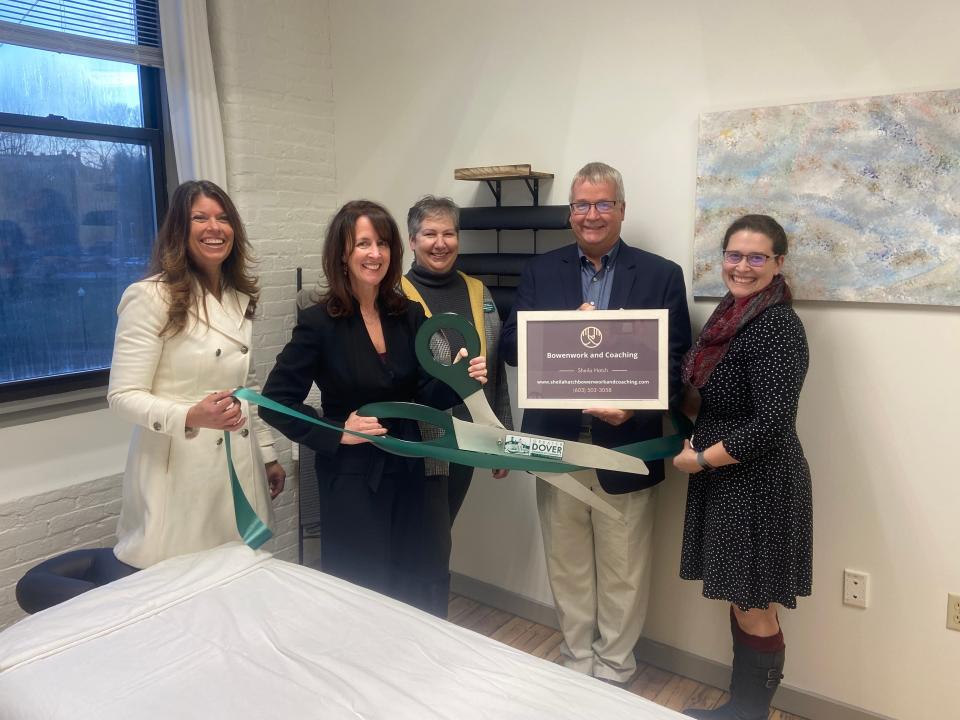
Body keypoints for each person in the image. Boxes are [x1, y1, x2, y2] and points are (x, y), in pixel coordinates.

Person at [500, 162, 692, 683]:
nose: (592, 214)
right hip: (557, 445)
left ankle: (614, 672)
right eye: (582, 205)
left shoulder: (660, 275)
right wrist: (562, 329)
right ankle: (575, 664)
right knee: (567, 565)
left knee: (623, 570)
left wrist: (636, 407)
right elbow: (512, 349)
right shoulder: (541, 271)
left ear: (622, 210)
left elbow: (677, 365)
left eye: (603, 203)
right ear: (570, 213)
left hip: (625, 447)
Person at [259, 199, 488, 614]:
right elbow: (275, 402)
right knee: (362, 592)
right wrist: (334, 431)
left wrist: (459, 381)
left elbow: (424, 398)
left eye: (382, 243)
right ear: (342, 254)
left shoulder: (408, 315)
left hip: (413, 473)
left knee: (421, 582)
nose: (375, 253)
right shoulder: (319, 322)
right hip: (353, 481)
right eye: (363, 243)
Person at [673, 214, 812, 720]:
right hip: (730, 480)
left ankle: (747, 714)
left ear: (778, 264)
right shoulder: (729, 316)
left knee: (755, 607)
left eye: (757, 257)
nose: (743, 266)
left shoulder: (776, 325)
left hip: (760, 484)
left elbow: (772, 424)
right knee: (742, 599)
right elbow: (716, 399)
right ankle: (741, 707)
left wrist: (701, 458)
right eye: (734, 255)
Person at [108, 180, 285, 571]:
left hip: (238, 465)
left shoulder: (239, 296)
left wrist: (267, 454)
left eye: (223, 219)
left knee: (240, 576)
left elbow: (247, 386)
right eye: (200, 218)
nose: (214, 227)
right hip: (180, 471)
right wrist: (191, 416)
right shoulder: (149, 297)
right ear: (179, 229)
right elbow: (122, 395)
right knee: (184, 585)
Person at [401, 194, 513, 616]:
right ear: (412, 240)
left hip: (468, 438)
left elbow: (495, 365)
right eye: (429, 233)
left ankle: (424, 622)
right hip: (422, 439)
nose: (440, 242)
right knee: (428, 540)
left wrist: (500, 431)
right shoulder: (396, 294)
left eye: (448, 232)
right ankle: (424, 624)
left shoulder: (477, 291)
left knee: (439, 532)